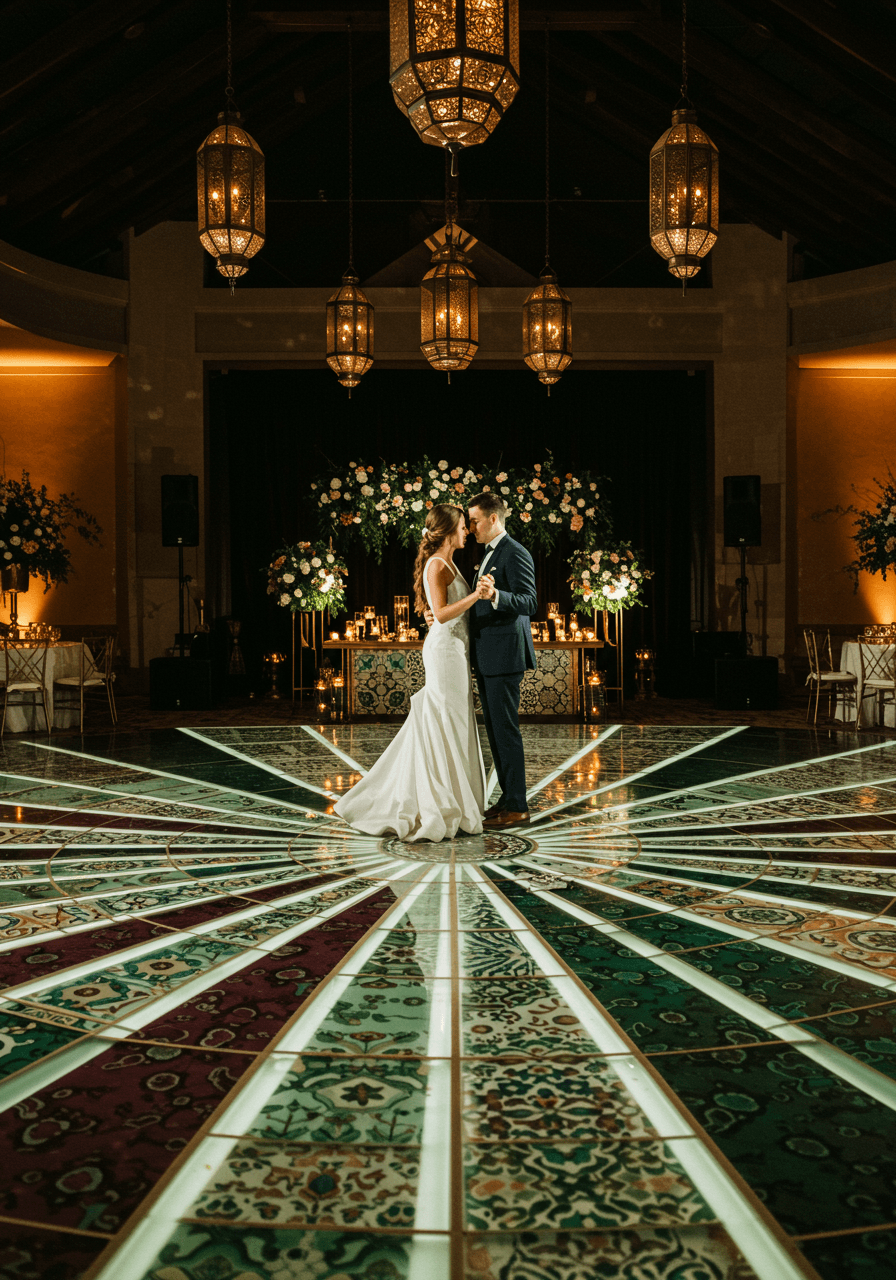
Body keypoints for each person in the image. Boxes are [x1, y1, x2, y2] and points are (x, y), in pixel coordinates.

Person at [334, 503, 491, 841]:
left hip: (455, 652)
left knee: (452, 722)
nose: (467, 531)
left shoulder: (446, 562)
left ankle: (453, 800)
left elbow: (439, 611)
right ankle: (440, 805)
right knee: (446, 723)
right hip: (445, 654)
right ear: (449, 530)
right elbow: (444, 613)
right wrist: (477, 596)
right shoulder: (437, 564)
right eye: (463, 526)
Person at [461, 492, 537, 829]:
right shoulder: (489, 553)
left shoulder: (514, 552)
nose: (471, 527)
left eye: (475, 520)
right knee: (496, 730)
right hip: (491, 656)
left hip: (505, 656)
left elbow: (529, 601)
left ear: (494, 518)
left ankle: (518, 807)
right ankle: (508, 800)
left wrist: (496, 596)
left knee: (506, 731)